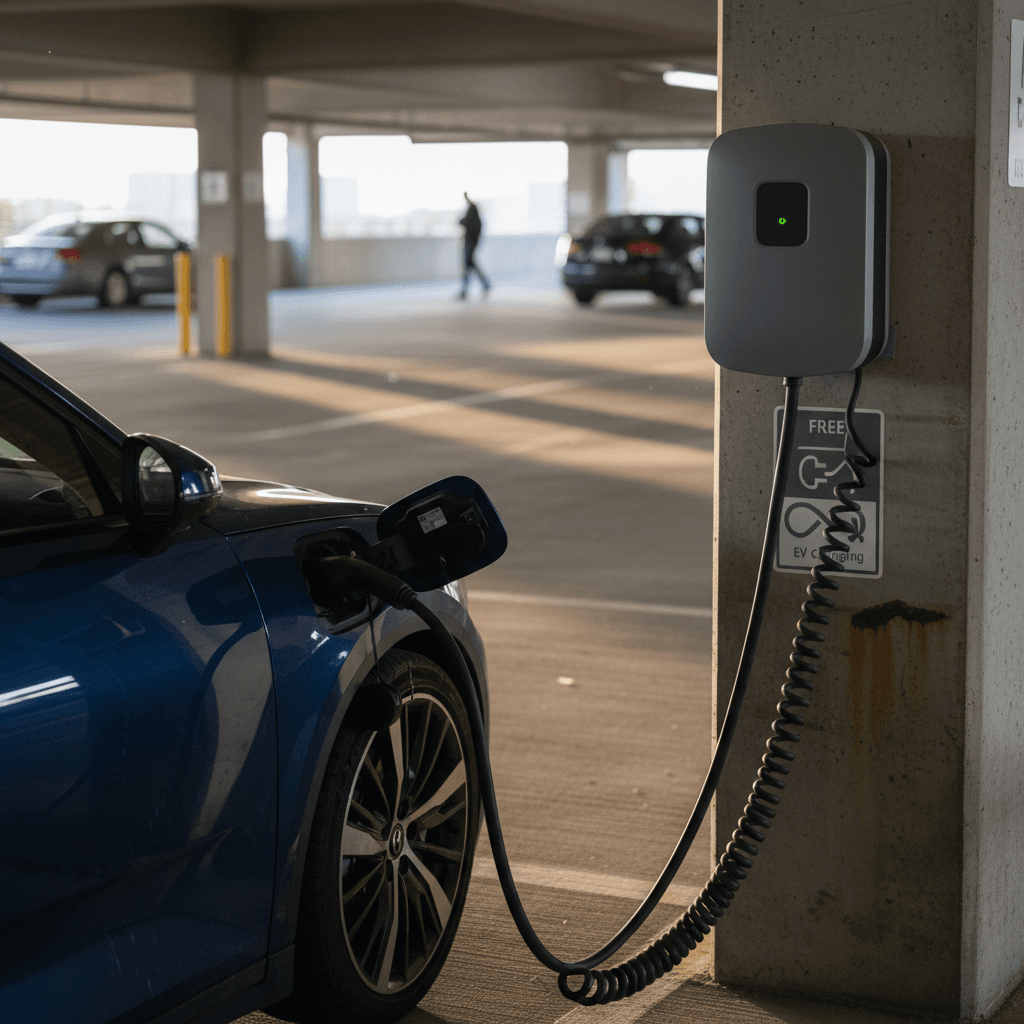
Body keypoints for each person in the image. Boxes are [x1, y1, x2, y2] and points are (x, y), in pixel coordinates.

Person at [458, 193, 491, 299]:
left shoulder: (473, 214)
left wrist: (466, 197)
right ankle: (484, 284)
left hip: (470, 243)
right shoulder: (473, 216)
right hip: (470, 243)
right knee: (470, 265)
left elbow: (468, 224)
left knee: (468, 265)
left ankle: (466, 289)